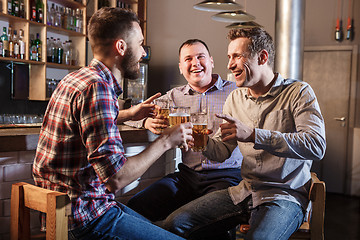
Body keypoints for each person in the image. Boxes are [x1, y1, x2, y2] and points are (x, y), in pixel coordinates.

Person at [32, 7, 192, 240]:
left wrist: (128, 114)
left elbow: (82, 123)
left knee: (164, 229)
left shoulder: (77, 78)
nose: (143, 54)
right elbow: (116, 178)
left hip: (62, 213)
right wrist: (166, 141)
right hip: (84, 219)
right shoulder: (98, 89)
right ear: (120, 47)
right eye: (140, 44)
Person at [161, 27, 326, 240]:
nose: (229, 64)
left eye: (237, 56)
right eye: (230, 57)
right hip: (244, 191)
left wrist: (253, 135)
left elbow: (316, 145)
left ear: (262, 57)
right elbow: (221, 151)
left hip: (284, 197)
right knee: (174, 224)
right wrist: (199, 140)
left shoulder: (298, 92)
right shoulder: (235, 98)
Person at [126, 39, 243, 222]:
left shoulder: (236, 92)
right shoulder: (174, 96)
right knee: (135, 207)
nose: (195, 63)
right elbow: (135, 113)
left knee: (202, 222)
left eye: (200, 57)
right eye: (188, 59)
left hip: (227, 176)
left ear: (211, 61)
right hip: (187, 176)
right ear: (181, 67)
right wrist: (146, 122)